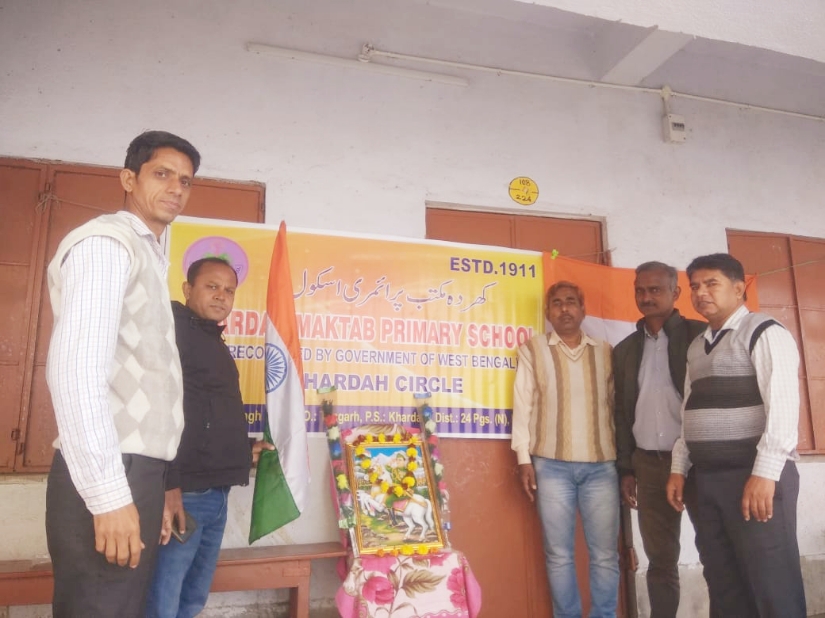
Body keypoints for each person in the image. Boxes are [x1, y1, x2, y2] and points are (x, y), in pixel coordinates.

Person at [44, 130, 200, 617]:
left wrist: (159, 486)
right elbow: (75, 374)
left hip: (138, 471)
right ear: (128, 179)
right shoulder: (106, 244)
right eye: (162, 174)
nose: (175, 187)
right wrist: (109, 496)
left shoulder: (147, 255)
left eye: (185, 180)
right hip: (110, 471)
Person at [666, 253, 806, 618]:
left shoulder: (764, 332)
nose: (701, 293)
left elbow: (783, 407)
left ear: (739, 288)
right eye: (695, 286)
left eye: (711, 283)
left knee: (772, 583)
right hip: (707, 481)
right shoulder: (697, 346)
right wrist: (680, 467)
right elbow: (689, 413)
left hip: (754, 477)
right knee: (724, 583)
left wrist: (765, 473)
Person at [146, 257, 274, 618]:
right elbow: (159, 409)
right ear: (188, 289)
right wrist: (169, 483)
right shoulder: (173, 335)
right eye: (212, 286)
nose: (221, 296)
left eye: (229, 290)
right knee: (163, 598)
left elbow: (205, 413)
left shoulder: (209, 337)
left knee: (193, 596)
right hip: (185, 493)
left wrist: (244, 450)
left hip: (215, 491)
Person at [512, 281, 620, 618]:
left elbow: (618, 407)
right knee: (558, 555)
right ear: (548, 312)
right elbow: (522, 406)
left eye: (571, 302)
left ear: (583, 309)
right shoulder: (533, 350)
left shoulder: (606, 352)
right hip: (550, 466)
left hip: (601, 466)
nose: (564, 309)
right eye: (556, 303)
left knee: (605, 555)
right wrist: (523, 459)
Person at [613, 262, 706, 617]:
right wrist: (627, 468)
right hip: (649, 466)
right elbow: (622, 413)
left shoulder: (700, 336)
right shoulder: (625, 350)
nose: (646, 297)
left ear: (675, 293)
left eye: (655, 290)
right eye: (640, 290)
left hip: (698, 464)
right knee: (660, 560)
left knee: (716, 551)